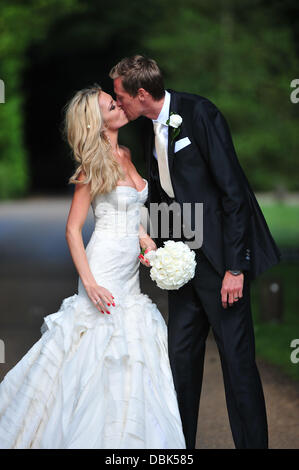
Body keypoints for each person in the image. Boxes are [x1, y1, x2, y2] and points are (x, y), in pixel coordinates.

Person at [110, 55, 282, 449]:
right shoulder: (145, 129)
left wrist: (236, 267)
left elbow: (233, 192)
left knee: (238, 368)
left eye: (120, 96)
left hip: (222, 265)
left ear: (140, 93)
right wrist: (157, 244)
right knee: (179, 366)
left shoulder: (201, 113)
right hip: (181, 264)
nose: (117, 104)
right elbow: (163, 192)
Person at [0, 85, 186, 449]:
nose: (119, 104)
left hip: (129, 269)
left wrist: (146, 242)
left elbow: (128, 212)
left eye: (114, 100)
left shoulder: (127, 153)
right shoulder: (92, 165)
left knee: (134, 342)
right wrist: (91, 283)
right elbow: (72, 229)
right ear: (96, 120)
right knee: (95, 344)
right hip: (102, 268)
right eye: (110, 103)